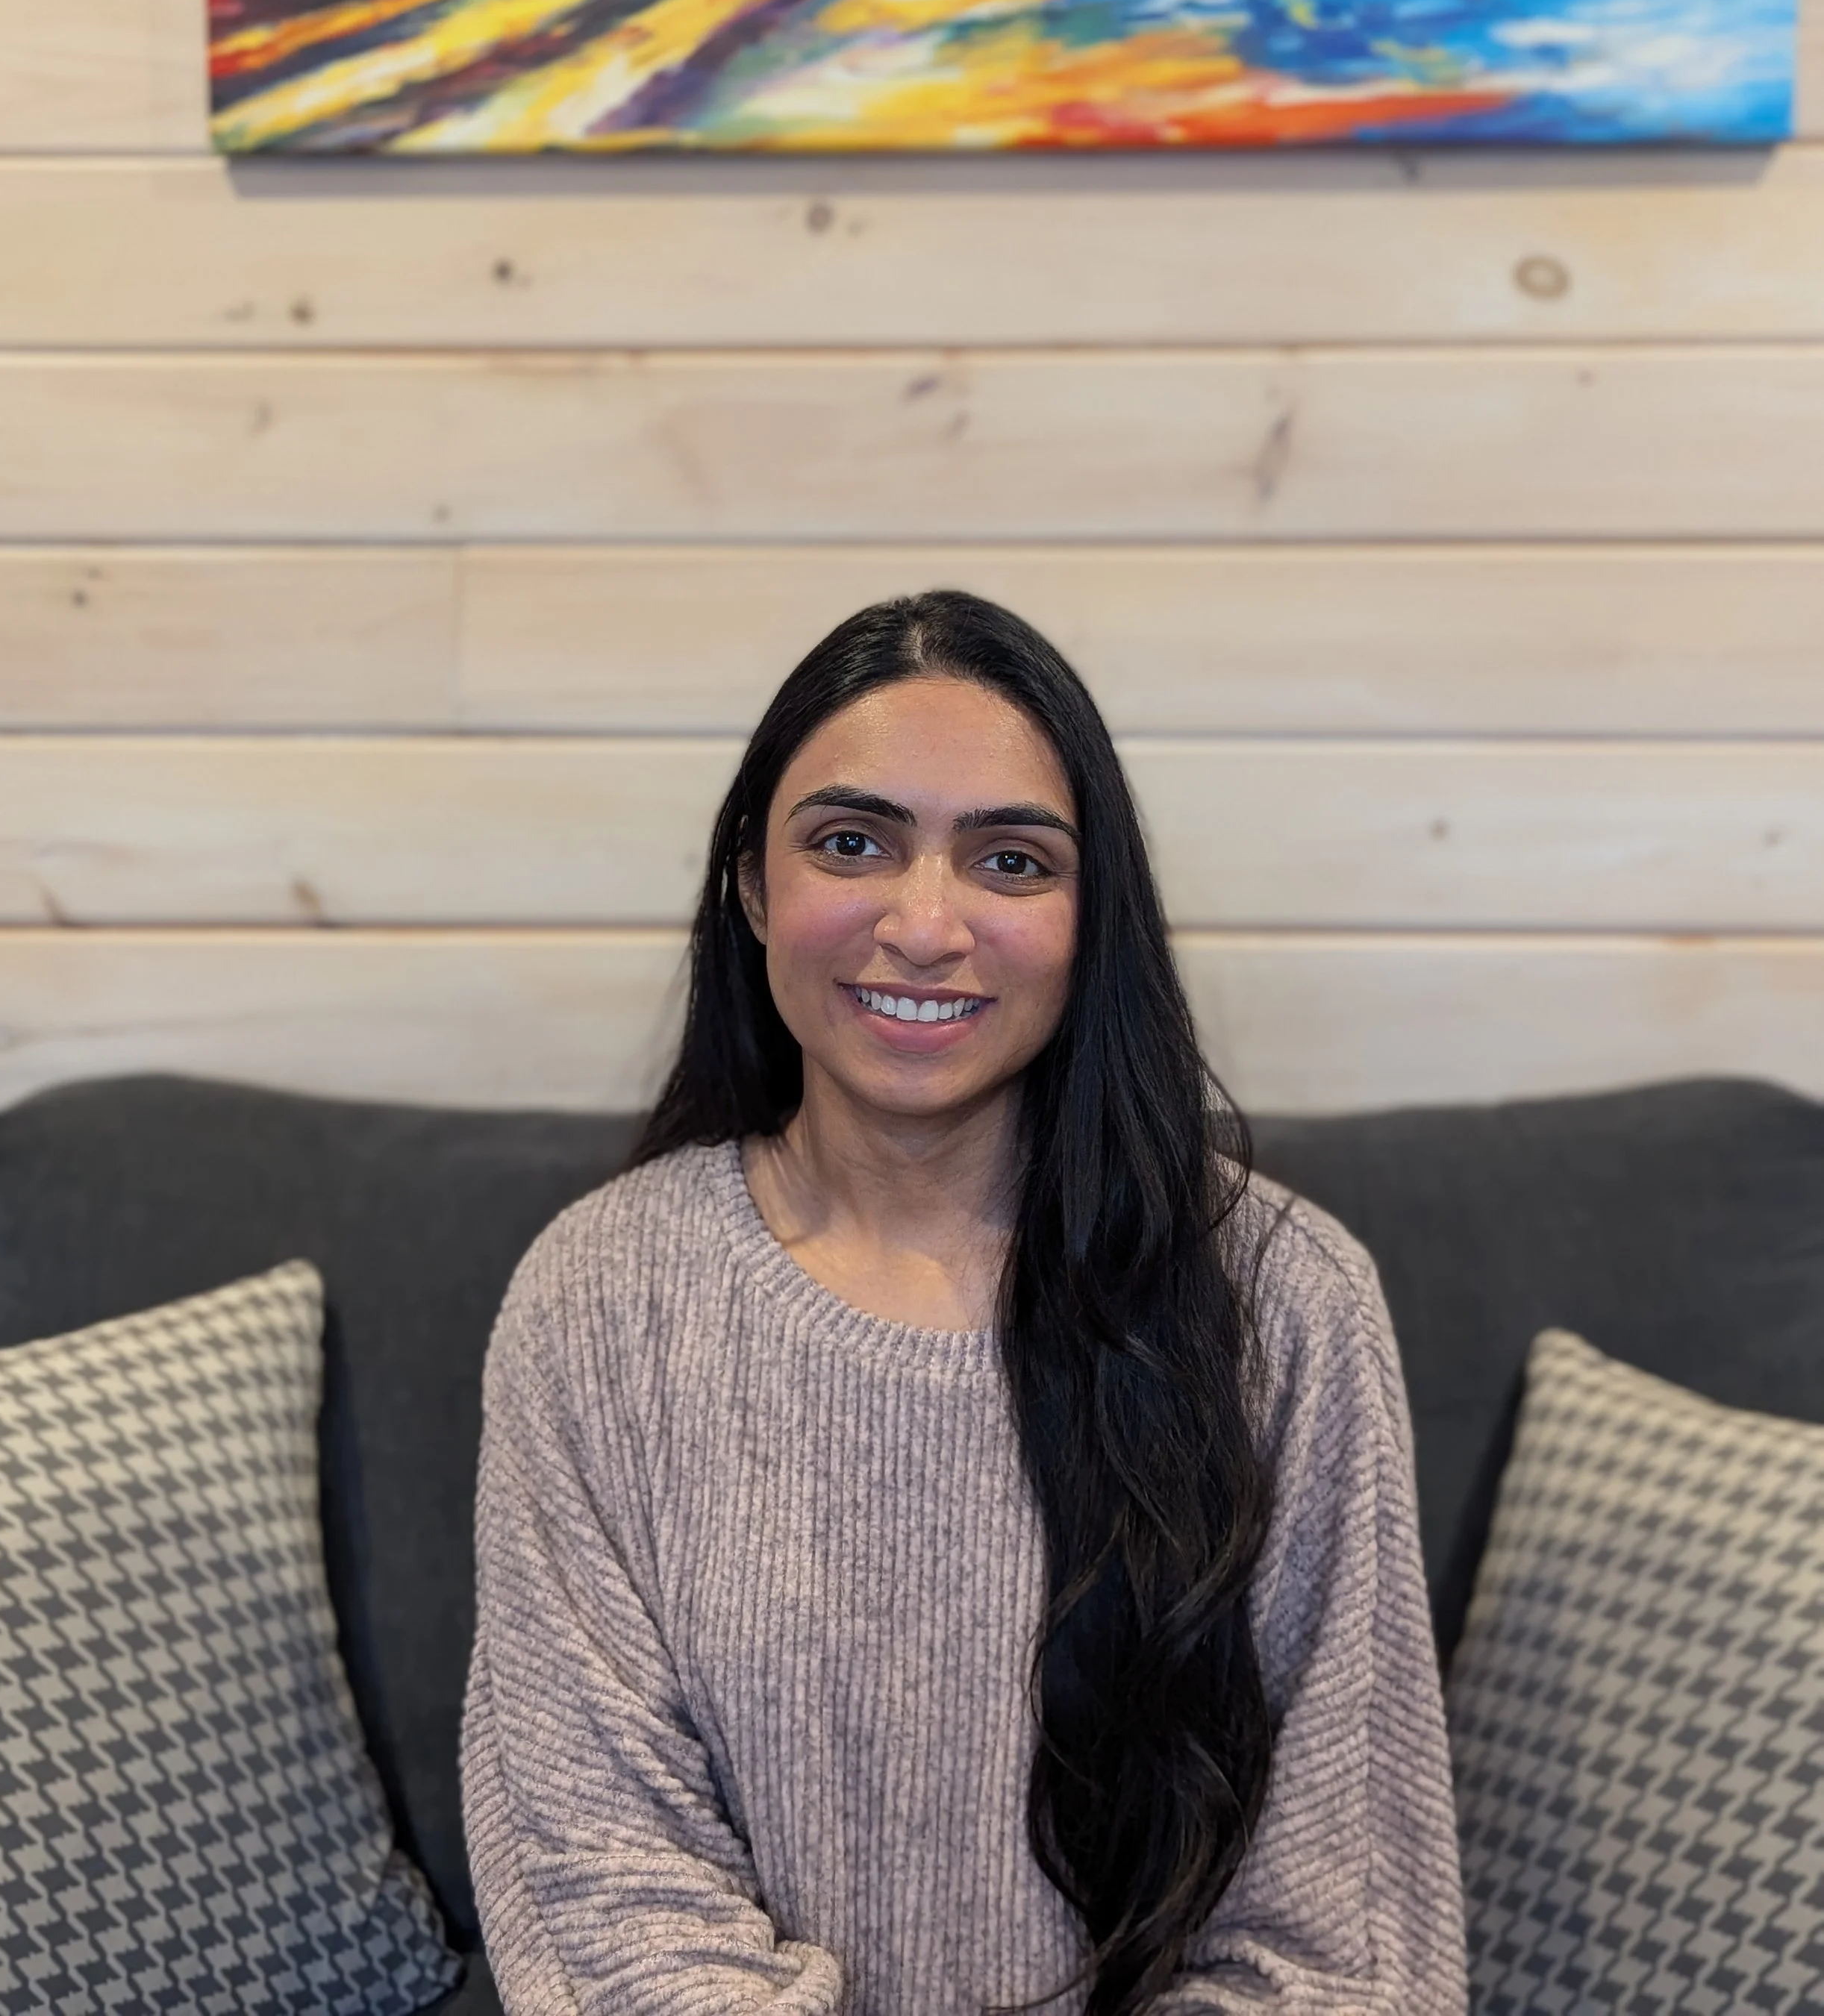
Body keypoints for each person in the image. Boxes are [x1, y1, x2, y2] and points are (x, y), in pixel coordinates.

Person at [462, 591, 1467, 2016]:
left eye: (1009, 861)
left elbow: (1330, 1934)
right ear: (753, 886)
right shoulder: (601, 1298)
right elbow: (609, 1892)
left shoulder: (1287, 1304)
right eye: (852, 842)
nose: (924, 925)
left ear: (1086, 917)